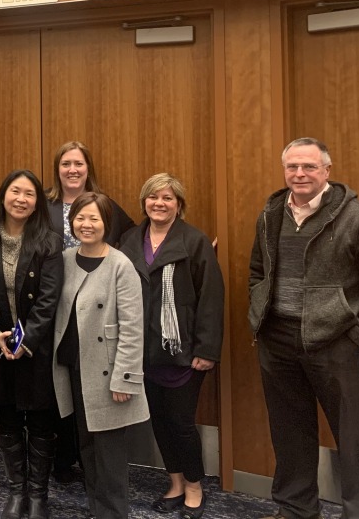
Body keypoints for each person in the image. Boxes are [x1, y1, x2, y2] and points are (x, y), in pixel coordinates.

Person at [250, 138, 359, 519]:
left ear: (327, 171)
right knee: (290, 432)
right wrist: (261, 314)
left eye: (309, 167)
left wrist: (357, 338)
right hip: (277, 341)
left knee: (353, 437)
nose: (300, 174)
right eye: (293, 166)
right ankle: (296, 508)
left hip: (335, 344)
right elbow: (258, 272)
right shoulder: (271, 214)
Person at [119, 174, 224, 518]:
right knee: (159, 422)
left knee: (180, 423)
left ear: (179, 205)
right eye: (153, 197)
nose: (159, 204)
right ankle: (175, 482)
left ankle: (194, 486)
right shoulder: (129, 239)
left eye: (167, 198)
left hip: (183, 354)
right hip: (142, 352)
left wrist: (207, 350)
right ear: (144, 202)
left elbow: (210, 299)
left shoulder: (194, 242)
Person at [0, 169, 63, 519]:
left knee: (39, 421)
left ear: (38, 202)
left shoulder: (49, 241)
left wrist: (26, 340)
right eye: (15, 191)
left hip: (34, 347)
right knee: (6, 418)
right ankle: (16, 493)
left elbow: (49, 298)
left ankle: (38, 497)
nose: (21, 199)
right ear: (3, 194)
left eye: (29, 194)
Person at [53, 192, 148, 519]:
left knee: (108, 454)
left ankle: (113, 513)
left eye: (94, 218)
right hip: (74, 369)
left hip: (108, 374)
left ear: (107, 223)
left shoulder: (121, 265)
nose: (86, 224)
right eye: (80, 217)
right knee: (87, 448)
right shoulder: (65, 258)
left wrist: (125, 378)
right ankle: (98, 510)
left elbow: (133, 328)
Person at [44, 141, 134, 481]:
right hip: (54, 308)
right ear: (58, 168)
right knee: (59, 384)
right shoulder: (46, 205)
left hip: (96, 313)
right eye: (65, 163)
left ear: (87, 168)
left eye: (78, 163)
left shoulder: (104, 204)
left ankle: (91, 465)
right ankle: (62, 460)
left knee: (88, 387)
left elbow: (135, 237)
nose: (72, 169)